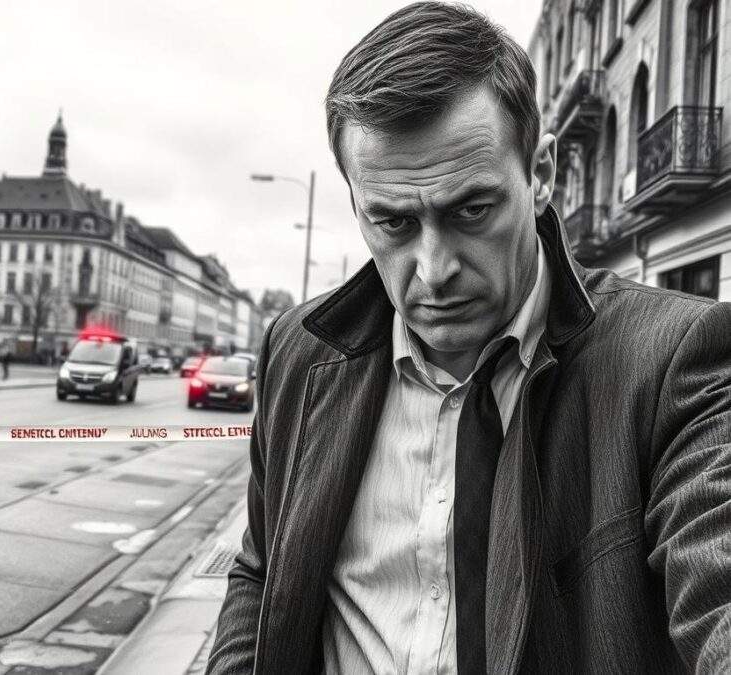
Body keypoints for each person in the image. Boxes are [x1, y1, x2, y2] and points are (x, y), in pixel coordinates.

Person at [209, 4, 731, 674]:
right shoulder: (296, 354)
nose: (433, 269)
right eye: (392, 222)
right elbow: (261, 569)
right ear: (356, 205)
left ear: (539, 177)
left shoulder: (673, 362)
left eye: (471, 210)